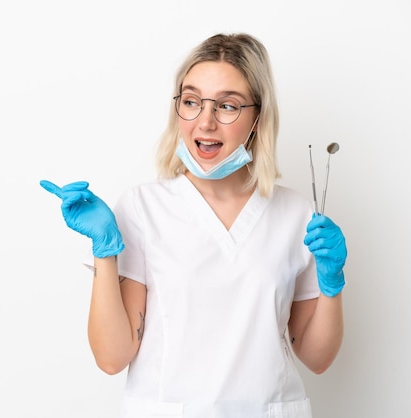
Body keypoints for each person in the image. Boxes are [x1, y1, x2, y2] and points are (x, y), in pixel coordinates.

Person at [40, 33, 347, 418]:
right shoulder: (142, 208)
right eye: (191, 101)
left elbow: (317, 359)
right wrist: (106, 253)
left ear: (258, 117)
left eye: (228, 106)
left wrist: (332, 283)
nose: (205, 121)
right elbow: (112, 358)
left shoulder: (297, 214)